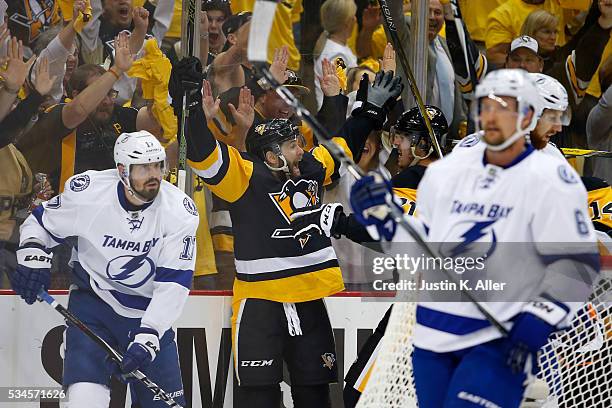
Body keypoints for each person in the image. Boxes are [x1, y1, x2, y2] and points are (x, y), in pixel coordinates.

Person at [349, 69, 599, 407]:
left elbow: (578, 261)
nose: (494, 116)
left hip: (499, 339)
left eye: (506, 107)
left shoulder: (553, 177)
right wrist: (382, 218)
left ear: (526, 115)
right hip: (434, 338)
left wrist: (541, 318)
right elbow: (424, 249)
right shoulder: (447, 173)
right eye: (488, 107)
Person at [170, 56, 402, 408]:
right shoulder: (244, 175)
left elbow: (341, 147)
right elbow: (203, 154)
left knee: (315, 395)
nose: (302, 148)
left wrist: (368, 111)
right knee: (257, 398)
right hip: (260, 303)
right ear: (272, 155)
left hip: (309, 299)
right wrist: (185, 107)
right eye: (293, 144)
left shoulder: (308, 168)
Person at [9, 130, 199, 407]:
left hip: (147, 311)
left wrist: (150, 333)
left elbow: (174, 283)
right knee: (85, 400)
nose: (154, 174)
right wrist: (33, 255)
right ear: (122, 170)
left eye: (158, 165)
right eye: (144, 167)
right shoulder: (90, 194)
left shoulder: (179, 211)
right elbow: (41, 223)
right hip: (94, 306)